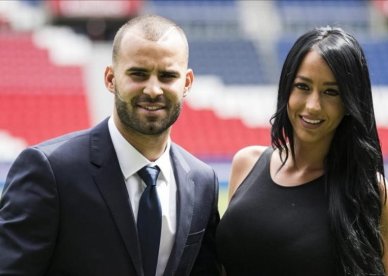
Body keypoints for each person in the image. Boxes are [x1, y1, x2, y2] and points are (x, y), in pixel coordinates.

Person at [0, 14, 222, 276]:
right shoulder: (50, 171)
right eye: (138, 74)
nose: (153, 89)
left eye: (167, 75)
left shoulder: (202, 181)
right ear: (110, 78)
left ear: (186, 83)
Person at [216, 26, 388, 276]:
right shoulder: (246, 163)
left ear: (350, 102)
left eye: (331, 92)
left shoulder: (369, 189)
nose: (313, 106)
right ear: (287, 89)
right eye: (303, 87)